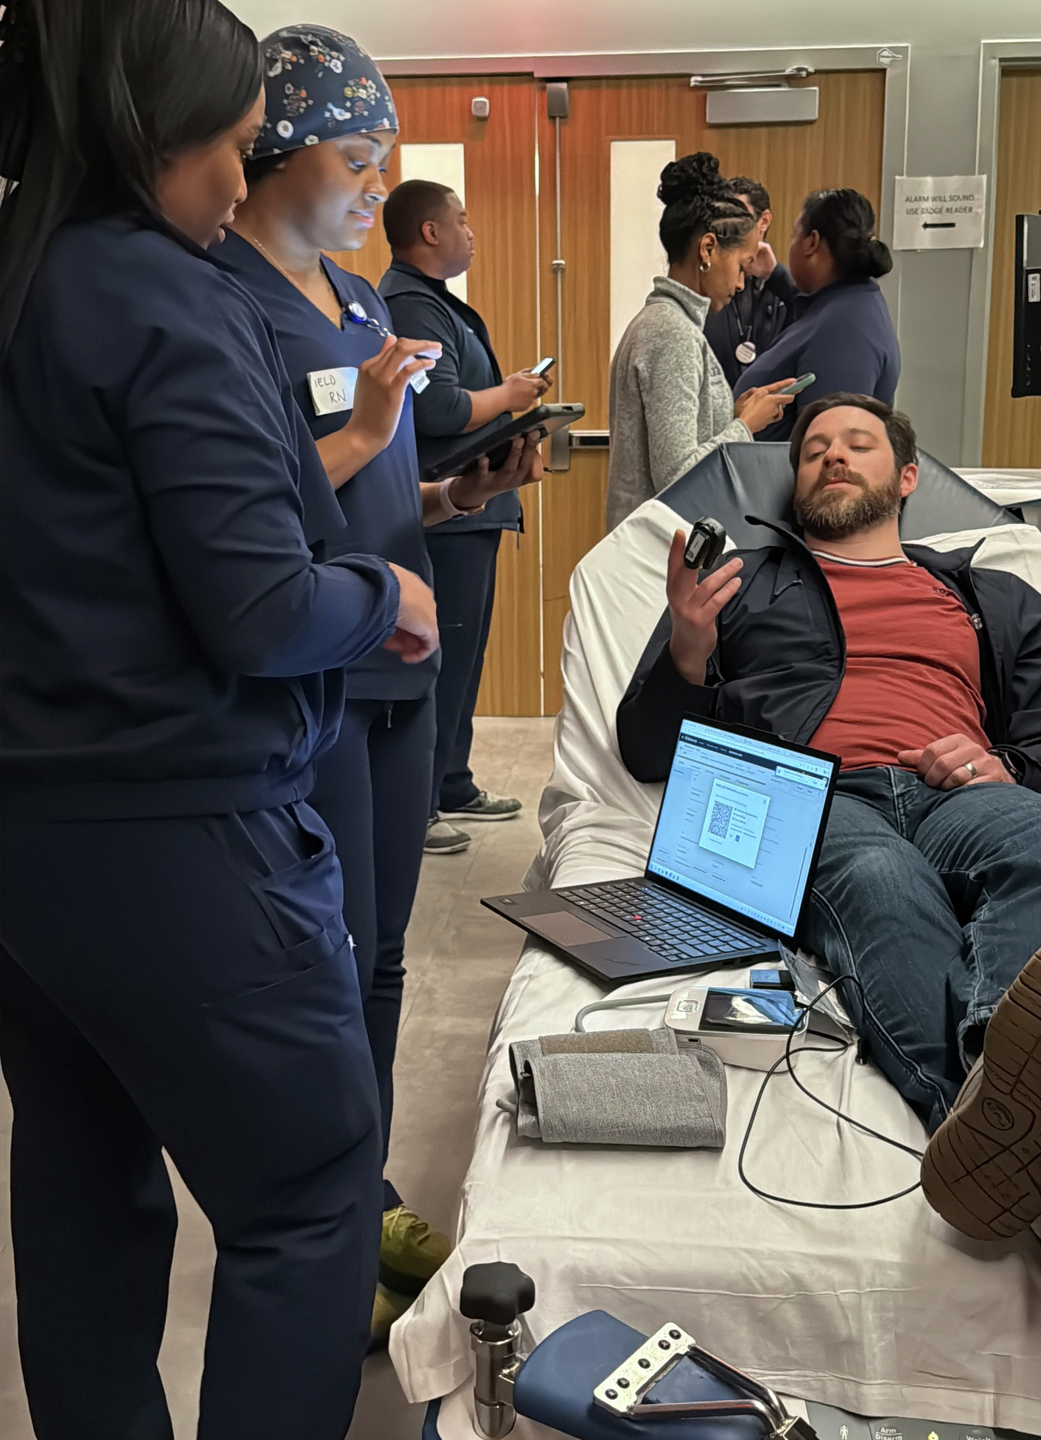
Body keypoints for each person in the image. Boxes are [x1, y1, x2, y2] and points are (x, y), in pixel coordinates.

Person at [0, 1, 439, 1435]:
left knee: (86, 1196)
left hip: (33, 844)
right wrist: (380, 596)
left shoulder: (27, 275)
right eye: (241, 150)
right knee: (309, 1198)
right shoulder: (165, 296)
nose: (240, 181)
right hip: (183, 833)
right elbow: (258, 609)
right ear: (160, 136)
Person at [218, 26, 542, 1341]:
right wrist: (354, 436)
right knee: (330, 964)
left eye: (386, 160)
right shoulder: (217, 308)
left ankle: (368, 1185)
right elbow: (243, 527)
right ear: (268, 154)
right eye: (357, 158)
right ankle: (327, 1220)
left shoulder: (357, 302)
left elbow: (381, 491)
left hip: (399, 681)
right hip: (314, 689)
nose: (375, 185)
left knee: (390, 954)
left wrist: (460, 488)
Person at [617, 392, 1041, 1244]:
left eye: (856, 444)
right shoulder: (736, 584)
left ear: (905, 478)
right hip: (815, 796)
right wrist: (687, 649)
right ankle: (995, 1128)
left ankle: (1008, 1114)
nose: (829, 455)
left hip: (962, 795)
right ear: (796, 487)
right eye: (811, 448)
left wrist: (1006, 767)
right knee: (883, 884)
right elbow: (646, 752)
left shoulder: (996, 597)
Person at [380, 181, 548, 854]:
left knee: (465, 656)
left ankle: (450, 780)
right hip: (442, 507)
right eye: (462, 220)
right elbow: (439, 410)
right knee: (439, 659)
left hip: (470, 508)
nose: (471, 231)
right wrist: (508, 394)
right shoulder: (406, 303)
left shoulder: (434, 303)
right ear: (429, 232)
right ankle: (418, 803)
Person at [605, 153, 794, 533]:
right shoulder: (671, 332)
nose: (741, 283)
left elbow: (680, 446)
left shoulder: (668, 324)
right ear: (708, 249)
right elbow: (677, 477)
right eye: (741, 266)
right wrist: (744, 426)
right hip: (658, 557)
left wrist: (733, 414)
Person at [734, 188, 901, 441]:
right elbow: (809, 313)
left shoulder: (845, 329)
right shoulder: (842, 304)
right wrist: (775, 275)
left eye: (794, 235)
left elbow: (826, 446)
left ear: (811, 242)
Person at [704, 175, 797, 387]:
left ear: (763, 221)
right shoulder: (709, 285)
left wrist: (777, 276)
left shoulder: (784, 286)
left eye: (739, 216)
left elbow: (814, 314)